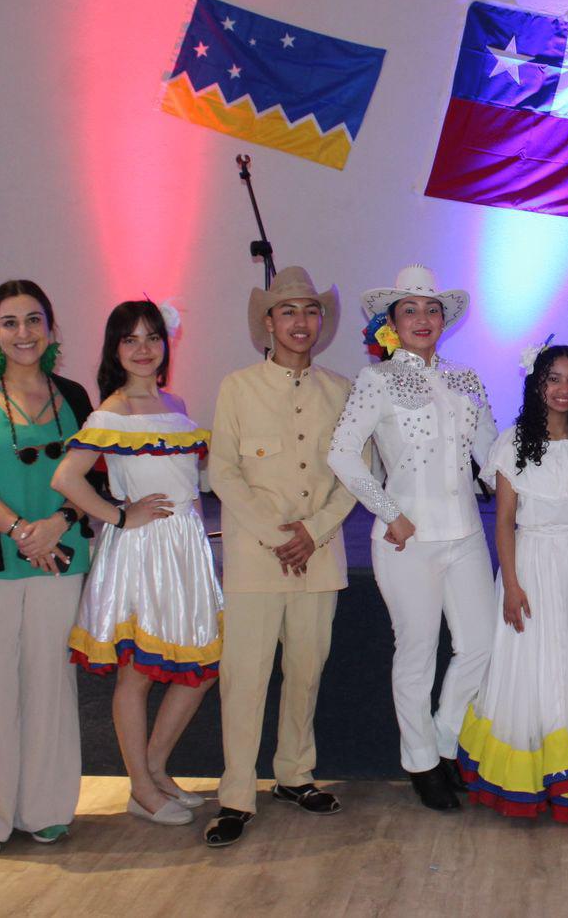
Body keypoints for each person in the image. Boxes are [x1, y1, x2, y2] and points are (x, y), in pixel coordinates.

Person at [0, 280, 96, 860]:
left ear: (50, 328)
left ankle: (45, 811)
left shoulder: (74, 395)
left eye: (34, 320)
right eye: (11, 322)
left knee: (50, 685)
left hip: (60, 557)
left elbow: (97, 476)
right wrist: (19, 530)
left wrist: (57, 522)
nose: (23, 333)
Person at [328, 265, 498, 811]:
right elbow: (341, 453)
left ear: (444, 320)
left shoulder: (466, 378)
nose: (422, 318)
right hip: (407, 540)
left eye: (431, 310)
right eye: (410, 310)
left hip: (466, 534)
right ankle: (421, 761)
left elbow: (492, 457)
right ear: (393, 322)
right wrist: (389, 511)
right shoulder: (376, 380)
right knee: (418, 651)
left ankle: (444, 741)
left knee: (480, 645)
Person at [203, 268, 361, 848]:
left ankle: (295, 774)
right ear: (268, 322)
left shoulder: (342, 391)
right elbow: (223, 472)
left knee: (306, 671)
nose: (301, 321)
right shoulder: (237, 387)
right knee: (244, 679)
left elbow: (356, 474)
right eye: (288, 311)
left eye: (310, 311)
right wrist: (278, 536)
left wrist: (312, 531)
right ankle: (236, 795)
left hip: (318, 555)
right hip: (255, 558)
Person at [52, 300, 220, 828]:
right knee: (137, 674)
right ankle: (142, 788)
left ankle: (154, 771)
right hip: (140, 552)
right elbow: (66, 478)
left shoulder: (176, 402)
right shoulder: (111, 411)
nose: (143, 348)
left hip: (186, 547)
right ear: (115, 349)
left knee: (199, 669)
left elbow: (190, 481)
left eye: (152, 337)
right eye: (130, 339)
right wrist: (121, 516)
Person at [456, 344, 568, 821]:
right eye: (553, 379)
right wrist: (512, 583)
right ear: (537, 384)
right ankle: (532, 773)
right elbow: (504, 521)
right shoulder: (513, 442)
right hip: (532, 562)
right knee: (533, 663)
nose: (564, 389)